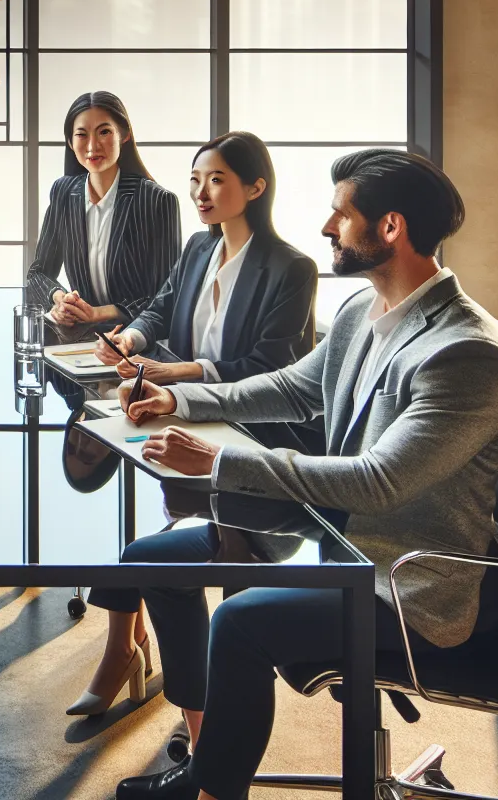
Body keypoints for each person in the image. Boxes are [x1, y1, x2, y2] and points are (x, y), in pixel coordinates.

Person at [105, 149, 498, 800]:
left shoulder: (464, 353)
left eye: (340, 214)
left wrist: (217, 460)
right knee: (160, 562)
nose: (327, 228)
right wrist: (179, 399)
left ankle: (213, 792)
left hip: (405, 585)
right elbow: (295, 389)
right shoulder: (364, 310)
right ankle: (209, 758)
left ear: (390, 229)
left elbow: (377, 481)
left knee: (239, 622)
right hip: (340, 541)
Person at [67, 131, 319, 724]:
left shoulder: (291, 268)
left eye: (217, 180)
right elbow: (160, 307)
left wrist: (176, 373)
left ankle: (136, 666)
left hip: (255, 438)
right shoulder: (200, 248)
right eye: (196, 180)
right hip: (186, 416)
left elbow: (272, 370)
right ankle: (122, 652)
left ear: (256, 187)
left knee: (150, 553)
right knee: (123, 500)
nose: (201, 192)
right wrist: (131, 338)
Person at [25, 91, 181, 330]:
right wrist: (60, 300)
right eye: (81, 134)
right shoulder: (64, 192)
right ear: (70, 142)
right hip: (80, 339)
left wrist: (98, 313)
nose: (92, 146)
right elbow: (37, 274)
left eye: (104, 132)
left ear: (124, 135)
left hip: (136, 340)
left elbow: (165, 297)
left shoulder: (157, 200)